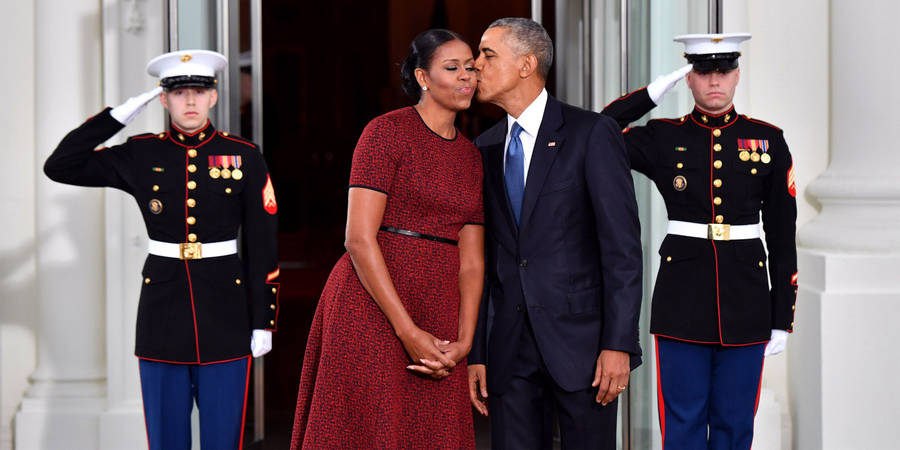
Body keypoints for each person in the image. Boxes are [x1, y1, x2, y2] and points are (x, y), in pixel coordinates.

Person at [43, 49, 279, 450]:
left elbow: (261, 242)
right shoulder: (141, 153)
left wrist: (263, 320)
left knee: (223, 440)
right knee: (167, 440)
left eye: (199, 92)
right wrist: (119, 115)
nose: (190, 101)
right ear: (164, 98)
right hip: (162, 313)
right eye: (179, 92)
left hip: (226, 313)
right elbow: (60, 164)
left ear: (214, 97)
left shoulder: (244, 156)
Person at [602, 33, 798, 450]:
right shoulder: (661, 136)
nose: (714, 80)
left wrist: (782, 315)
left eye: (724, 71)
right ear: (689, 78)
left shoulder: (768, 140)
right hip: (681, 299)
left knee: (734, 423)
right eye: (703, 71)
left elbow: (783, 236)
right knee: (683, 422)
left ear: (737, 76)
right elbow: (599, 133)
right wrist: (650, 94)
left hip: (747, 301)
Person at [290, 29, 484, 449]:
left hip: (440, 310)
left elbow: (471, 261)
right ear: (423, 77)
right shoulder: (385, 133)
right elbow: (358, 239)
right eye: (452, 68)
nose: (467, 76)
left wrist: (465, 340)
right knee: (366, 431)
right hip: (371, 305)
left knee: (435, 432)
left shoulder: (472, 156)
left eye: (471, 67)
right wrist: (407, 331)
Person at [467, 18, 643, 449]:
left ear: (527, 64)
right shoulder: (484, 148)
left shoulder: (590, 134)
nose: (475, 65)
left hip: (584, 351)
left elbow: (622, 251)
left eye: (488, 55)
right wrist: (479, 354)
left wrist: (618, 344)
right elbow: (488, 260)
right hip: (509, 353)